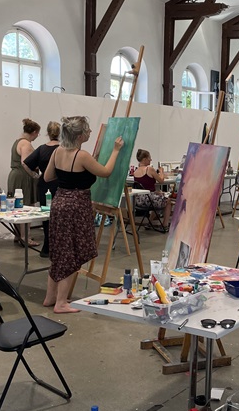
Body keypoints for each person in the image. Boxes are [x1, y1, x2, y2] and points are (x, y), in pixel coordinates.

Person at [43, 116, 123, 313]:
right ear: (79, 136)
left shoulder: (58, 151)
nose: (90, 133)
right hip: (75, 206)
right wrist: (115, 151)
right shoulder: (82, 156)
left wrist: (67, 177)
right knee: (71, 252)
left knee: (60, 251)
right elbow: (105, 172)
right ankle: (61, 303)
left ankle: (50, 297)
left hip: (59, 202)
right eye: (87, 130)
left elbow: (47, 177)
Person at [23, 121, 60, 258]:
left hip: (44, 185)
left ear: (47, 133)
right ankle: (58, 247)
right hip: (60, 184)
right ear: (59, 134)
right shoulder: (62, 149)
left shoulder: (41, 149)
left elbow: (26, 163)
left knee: (46, 216)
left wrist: (36, 175)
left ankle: (47, 247)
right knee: (59, 216)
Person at [132, 149, 174, 226]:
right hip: (149, 200)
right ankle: (165, 225)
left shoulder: (135, 172)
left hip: (139, 200)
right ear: (145, 159)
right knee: (168, 201)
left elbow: (145, 187)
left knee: (159, 196)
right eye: (149, 158)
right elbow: (161, 180)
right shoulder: (150, 169)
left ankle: (150, 222)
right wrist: (161, 171)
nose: (151, 160)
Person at [8, 118, 40, 206]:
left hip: (16, 175)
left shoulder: (17, 142)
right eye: (38, 134)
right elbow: (25, 163)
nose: (37, 136)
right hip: (22, 177)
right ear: (34, 132)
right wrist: (34, 175)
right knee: (23, 205)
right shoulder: (25, 144)